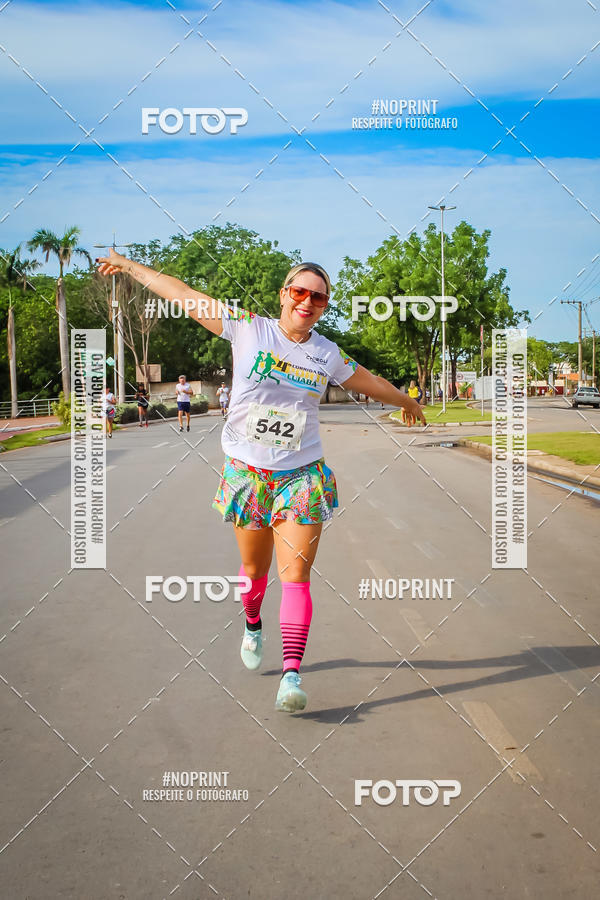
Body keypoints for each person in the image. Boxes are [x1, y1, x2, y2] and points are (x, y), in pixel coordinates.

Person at [96, 252, 425, 712]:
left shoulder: (326, 353)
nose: (307, 301)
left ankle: (291, 675)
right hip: (248, 475)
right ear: (283, 295)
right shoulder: (247, 327)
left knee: (296, 578)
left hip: (303, 475)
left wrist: (405, 401)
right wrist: (132, 268)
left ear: (325, 305)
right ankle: (252, 623)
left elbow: (365, 378)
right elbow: (185, 295)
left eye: (318, 297)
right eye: (299, 292)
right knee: (254, 573)